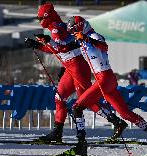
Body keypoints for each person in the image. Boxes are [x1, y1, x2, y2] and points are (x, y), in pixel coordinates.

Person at [25, 3, 127, 143]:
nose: (39, 21)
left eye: (40, 18)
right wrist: (40, 46)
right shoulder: (57, 27)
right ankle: (57, 131)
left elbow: (62, 48)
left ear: (47, 17)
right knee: (59, 98)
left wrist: (45, 44)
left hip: (77, 68)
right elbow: (62, 49)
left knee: (86, 101)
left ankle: (116, 123)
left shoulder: (55, 29)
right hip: (71, 68)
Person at [66, 16, 147, 156]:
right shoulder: (80, 39)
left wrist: (87, 39)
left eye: (74, 30)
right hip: (106, 79)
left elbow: (103, 46)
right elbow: (65, 49)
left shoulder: (93, 36)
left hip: (105, 79)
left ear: (81, 26)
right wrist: (44, 44)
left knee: (77, 108)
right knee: (125, 113)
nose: (73, 33)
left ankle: (81, 145)